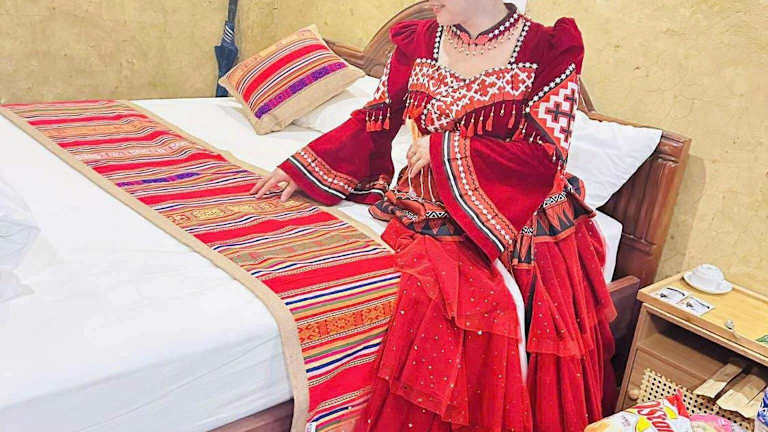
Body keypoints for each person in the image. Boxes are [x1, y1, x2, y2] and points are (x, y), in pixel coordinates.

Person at [251, 1, 616, 430]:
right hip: (426, 202)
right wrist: (305, 166)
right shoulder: (420, 40)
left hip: (516, 213)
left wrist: (445, 148)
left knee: (461, 307)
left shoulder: (549, 49)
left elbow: (545, 155)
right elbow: (377, 117)